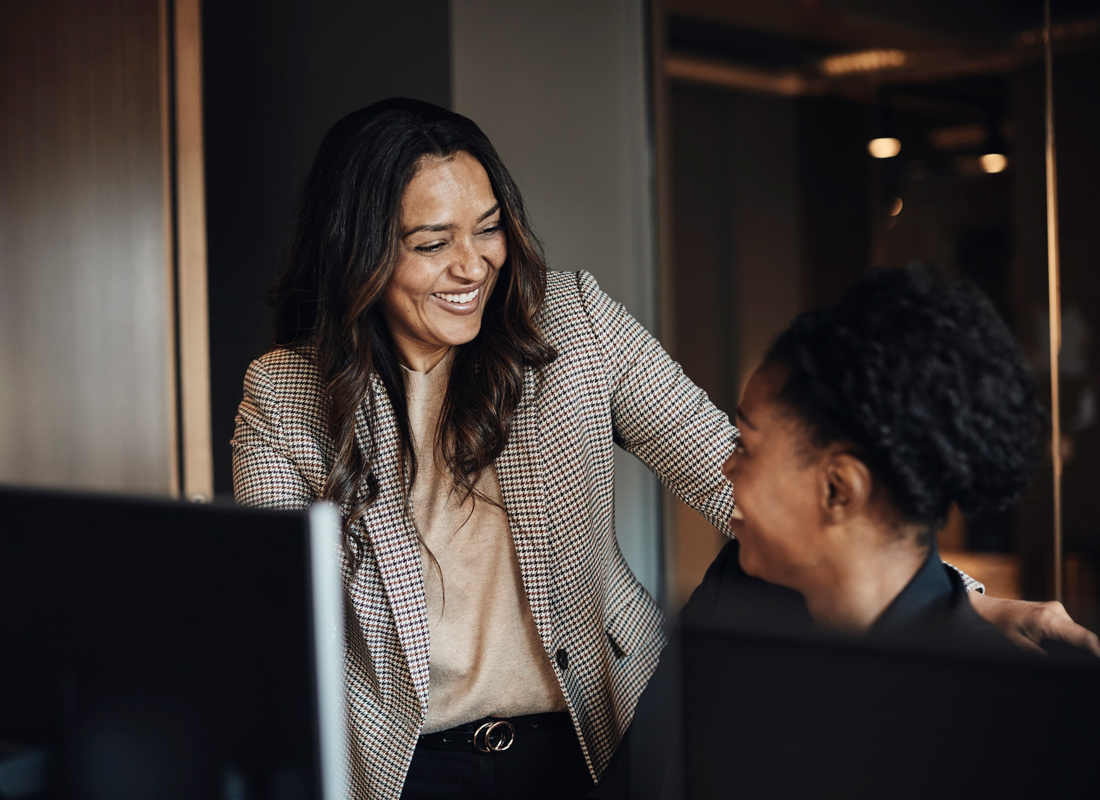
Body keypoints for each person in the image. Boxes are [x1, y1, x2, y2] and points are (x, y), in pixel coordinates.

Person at [231, 98, 1097, 800]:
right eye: (431, 243)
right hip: (405, 766)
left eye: (489, 228)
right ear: (359, 251)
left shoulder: (571, 325)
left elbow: (753, 485)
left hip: (592, 739)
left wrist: (965, 606)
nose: (474, 266)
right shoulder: (286, 396)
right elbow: (275, 631)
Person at [592, 266, 1095, 800]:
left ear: (839, 489)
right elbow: (637, 783)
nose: (726, 468)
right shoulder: (733, 592)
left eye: (747, 447)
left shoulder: (993, 710)